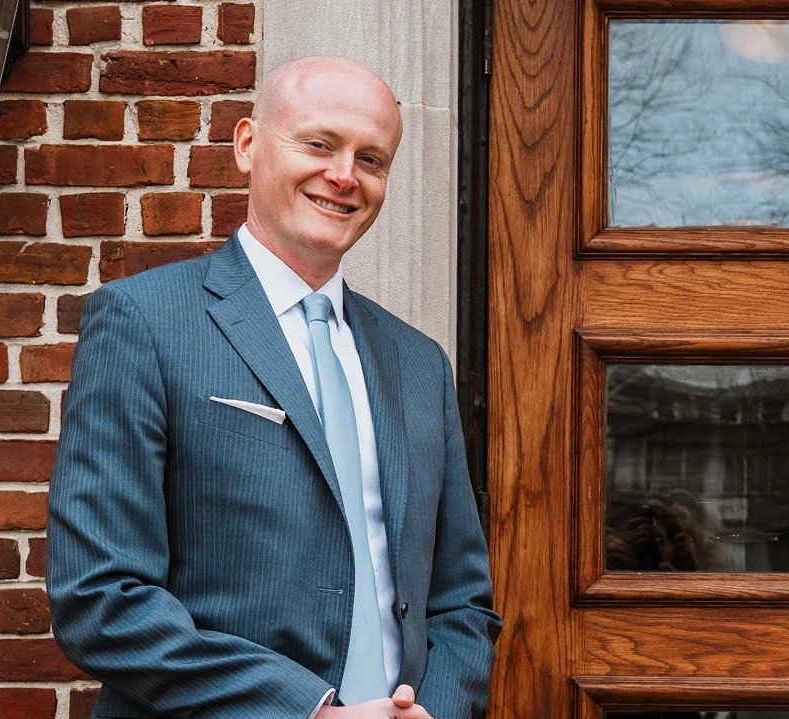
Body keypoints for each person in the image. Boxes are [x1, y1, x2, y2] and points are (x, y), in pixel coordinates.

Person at [47, 55, 500, 719]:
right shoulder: (144, 321)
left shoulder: (418, 363)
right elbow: (100, 597)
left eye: (371, 160)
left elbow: (460, 601)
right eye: (319, 144)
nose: (344, 176)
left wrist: (434, 709)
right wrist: (308, 710)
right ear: (248, 145)